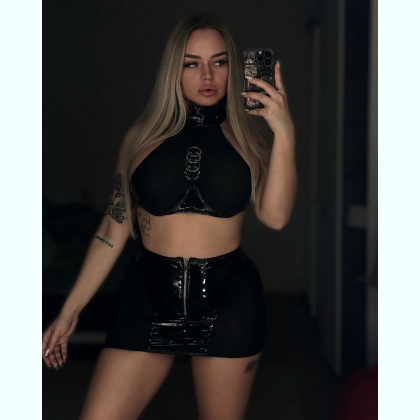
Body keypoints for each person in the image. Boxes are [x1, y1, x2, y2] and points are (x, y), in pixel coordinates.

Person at [42, 15, 297, 420]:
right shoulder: (141, 138)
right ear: (172, 70)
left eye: (219, 61)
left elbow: (276, 217)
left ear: (233, 67)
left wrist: (284, 132)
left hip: (229, 305)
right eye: (191, 63)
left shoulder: (251, 141)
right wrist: (69, 310)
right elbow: (112, 228)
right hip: (146, 300)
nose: (207, 75)